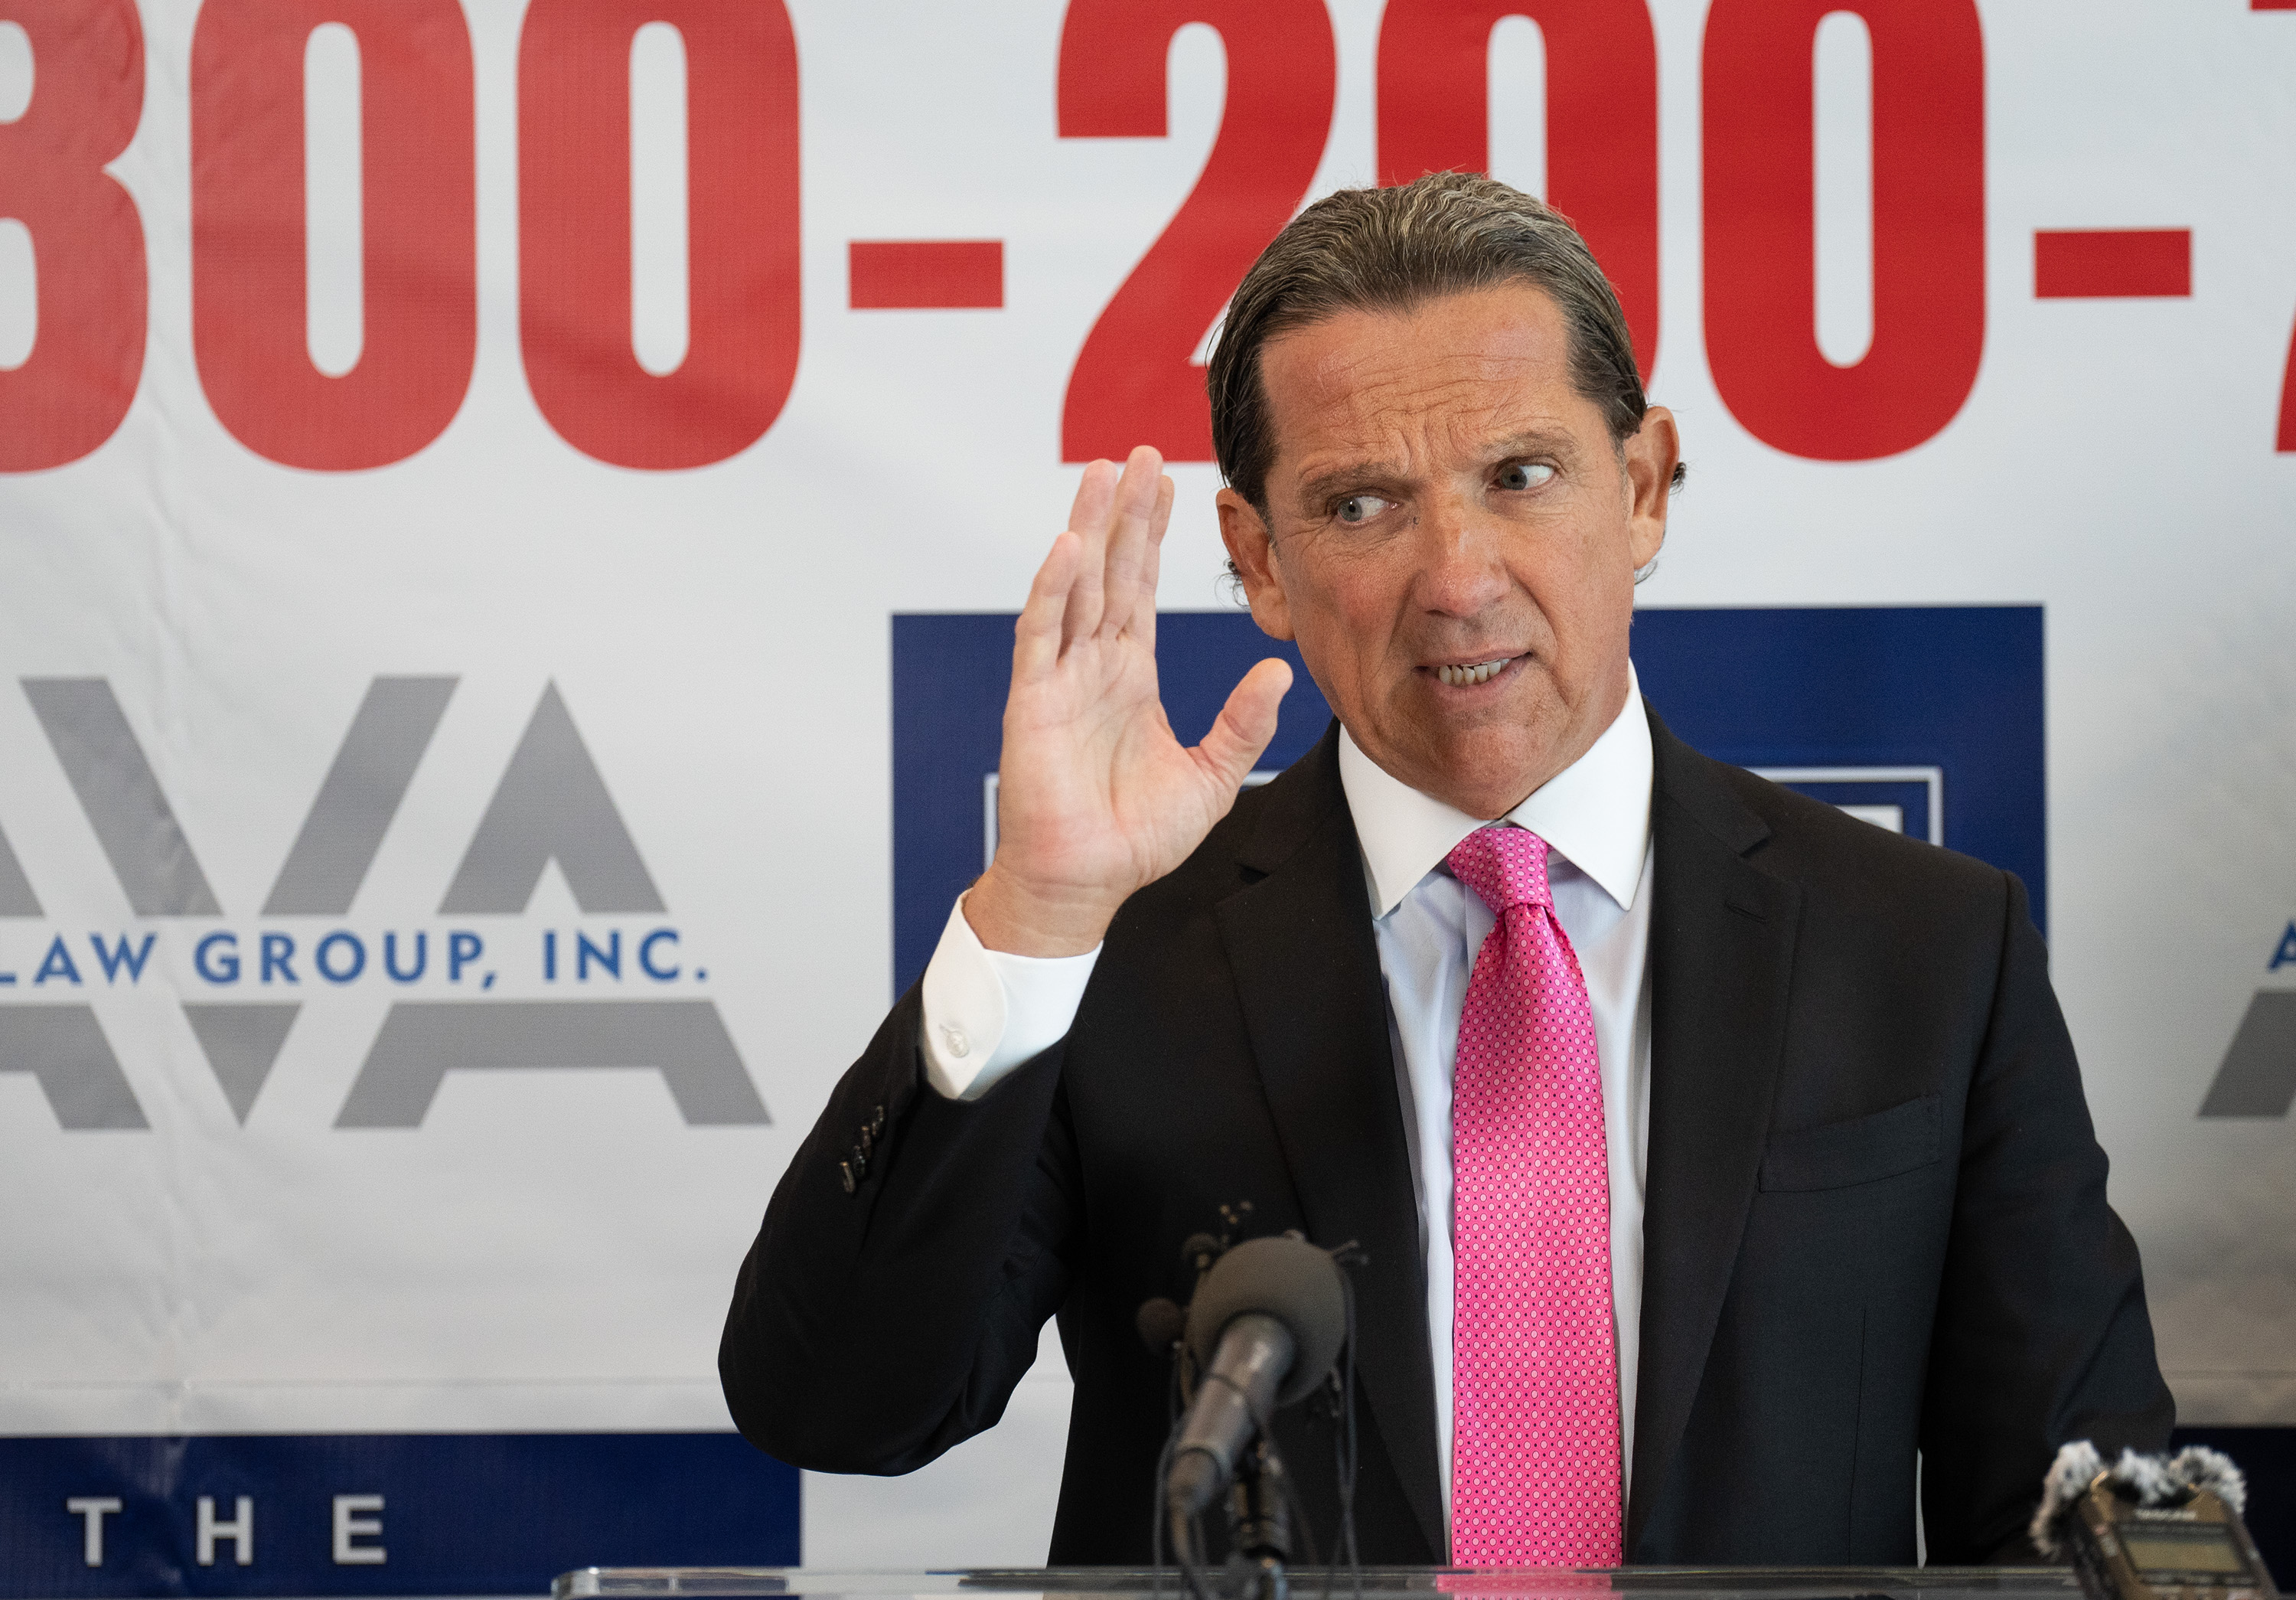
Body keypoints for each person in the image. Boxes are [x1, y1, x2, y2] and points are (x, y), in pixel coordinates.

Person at [720, 173, 2171, 1568]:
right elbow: (837, 1405)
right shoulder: (1121, 945)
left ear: (1648, 487)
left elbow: (2072, 1507)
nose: (1458, 576)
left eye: (1521, 474)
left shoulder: (1925, 947)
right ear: (1261, 559)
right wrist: (1036, 917)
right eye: (1362, 505)